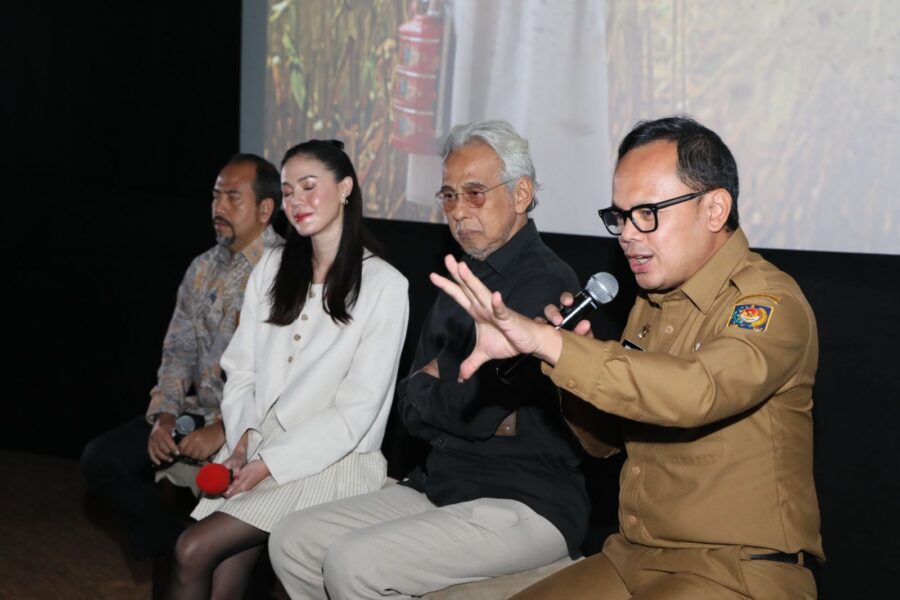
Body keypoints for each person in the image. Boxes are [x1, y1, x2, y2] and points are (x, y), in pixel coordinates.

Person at [432, 116, 823, 599]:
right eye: (620, 216)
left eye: (647, 213)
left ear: (715, 209)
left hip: (735, 569)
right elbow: (606, 443)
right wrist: (562, 364)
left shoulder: (768, 303)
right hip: (634, 556)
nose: (627, 234)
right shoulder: (652, 305)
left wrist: (551, 344)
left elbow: (697, 391)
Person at [268, 120, 590, 599]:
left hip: (525, 500)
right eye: (449, 196)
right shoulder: (461, 276)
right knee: (293, 540)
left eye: (474, 194)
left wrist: (437, 388)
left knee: (354, 563)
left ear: (521, 194)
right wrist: (440, 390)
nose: (458, 211)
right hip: (442, 484)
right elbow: (413, 407)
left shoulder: (546, 282)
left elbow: (475, 411)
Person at [166, 139, 409, 599]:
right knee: (220, 578)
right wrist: (244, 438)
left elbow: (356, 412)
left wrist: (269, 463)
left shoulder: (385, 285)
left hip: (333, 460)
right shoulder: (273, 266)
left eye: (309, 186)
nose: (297, 201)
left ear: (345, 188)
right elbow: (241, 368)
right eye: (288, 191)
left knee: (192, 549)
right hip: (260, 441)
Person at [81, 154, 281, 561]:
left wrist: (224, 429)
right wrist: (166, 416)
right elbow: (178, 350)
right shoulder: (202, 267)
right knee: (102, 460)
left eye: (232, 198)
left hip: (254, 429)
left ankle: (199, 559)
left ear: (265, 209)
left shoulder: (285, 273)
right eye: (215, 196)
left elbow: (282, 375)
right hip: (197, 413)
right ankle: (180, 549)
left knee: (239, 522)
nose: (219, 207)